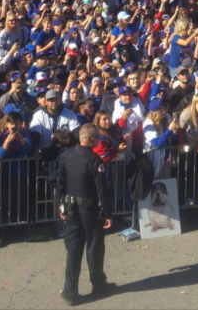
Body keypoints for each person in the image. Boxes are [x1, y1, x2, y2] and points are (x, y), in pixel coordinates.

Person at [57, 123, 115, 305]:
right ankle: (98, 286)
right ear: (89, 140)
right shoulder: (94, 161)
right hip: (90, 211)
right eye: (97, 137)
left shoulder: (66, 155)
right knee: (94, 249)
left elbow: (60, 183)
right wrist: (107, 213)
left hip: (71, 209)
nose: (99, 140)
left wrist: (61, 207)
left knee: (73, 252)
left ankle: (70, 292)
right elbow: (102, 190)